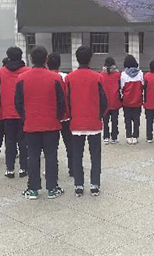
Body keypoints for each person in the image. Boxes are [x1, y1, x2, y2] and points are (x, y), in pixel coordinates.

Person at [16, 46, 66, 200]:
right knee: (51, 156)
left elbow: (18, 103)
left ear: (31, 59)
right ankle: (52, 188)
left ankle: (33, 189)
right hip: (51, 124)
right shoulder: (55, 78)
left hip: (31, 124)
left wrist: (26, 117)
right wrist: (57, 117)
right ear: (46, 59)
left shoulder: (22, 78)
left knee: (33, 156)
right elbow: (62, 103)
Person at [65, 46, 107, 197]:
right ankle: (94, 185)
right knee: (95, 155)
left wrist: (71, 116)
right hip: (93, 122)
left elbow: (67, 101)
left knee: (77, 155)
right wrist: (99, 116)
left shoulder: (69, 78)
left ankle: (79, 185)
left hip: (76, 122)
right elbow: (104, 101)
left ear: (76, 58)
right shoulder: (98, 77)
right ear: (90, 59)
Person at [0, 47, 29, 179]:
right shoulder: (27, 71)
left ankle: (10, 169)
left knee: (9, 141)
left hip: (7, 112)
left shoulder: (2, 71)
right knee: (23, 141)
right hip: (23, 112)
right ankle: (23, 168)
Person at [48, 53, 73, 177]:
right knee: (70, 144)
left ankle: (51, 169)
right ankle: (73, 168)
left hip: (51, 117)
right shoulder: (66, 77)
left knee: (51, 147)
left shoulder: (46, 77)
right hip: (66, 115)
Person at [120, 55, 144, 145]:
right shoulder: (140, 73)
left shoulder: (123, 74)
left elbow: (122, 87)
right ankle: (135, 136)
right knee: (137, 119)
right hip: (137, 99)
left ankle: (129, 136)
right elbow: (142, 85)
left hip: (127, 100)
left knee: (128, 119)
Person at [101, 57, 122, 144]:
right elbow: (120, 86)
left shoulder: (101, 74)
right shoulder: (118, 74)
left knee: (105, 121)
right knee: (114, 120)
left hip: (105, 101)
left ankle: (106, 137)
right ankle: (114, 137)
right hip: (115, 100)